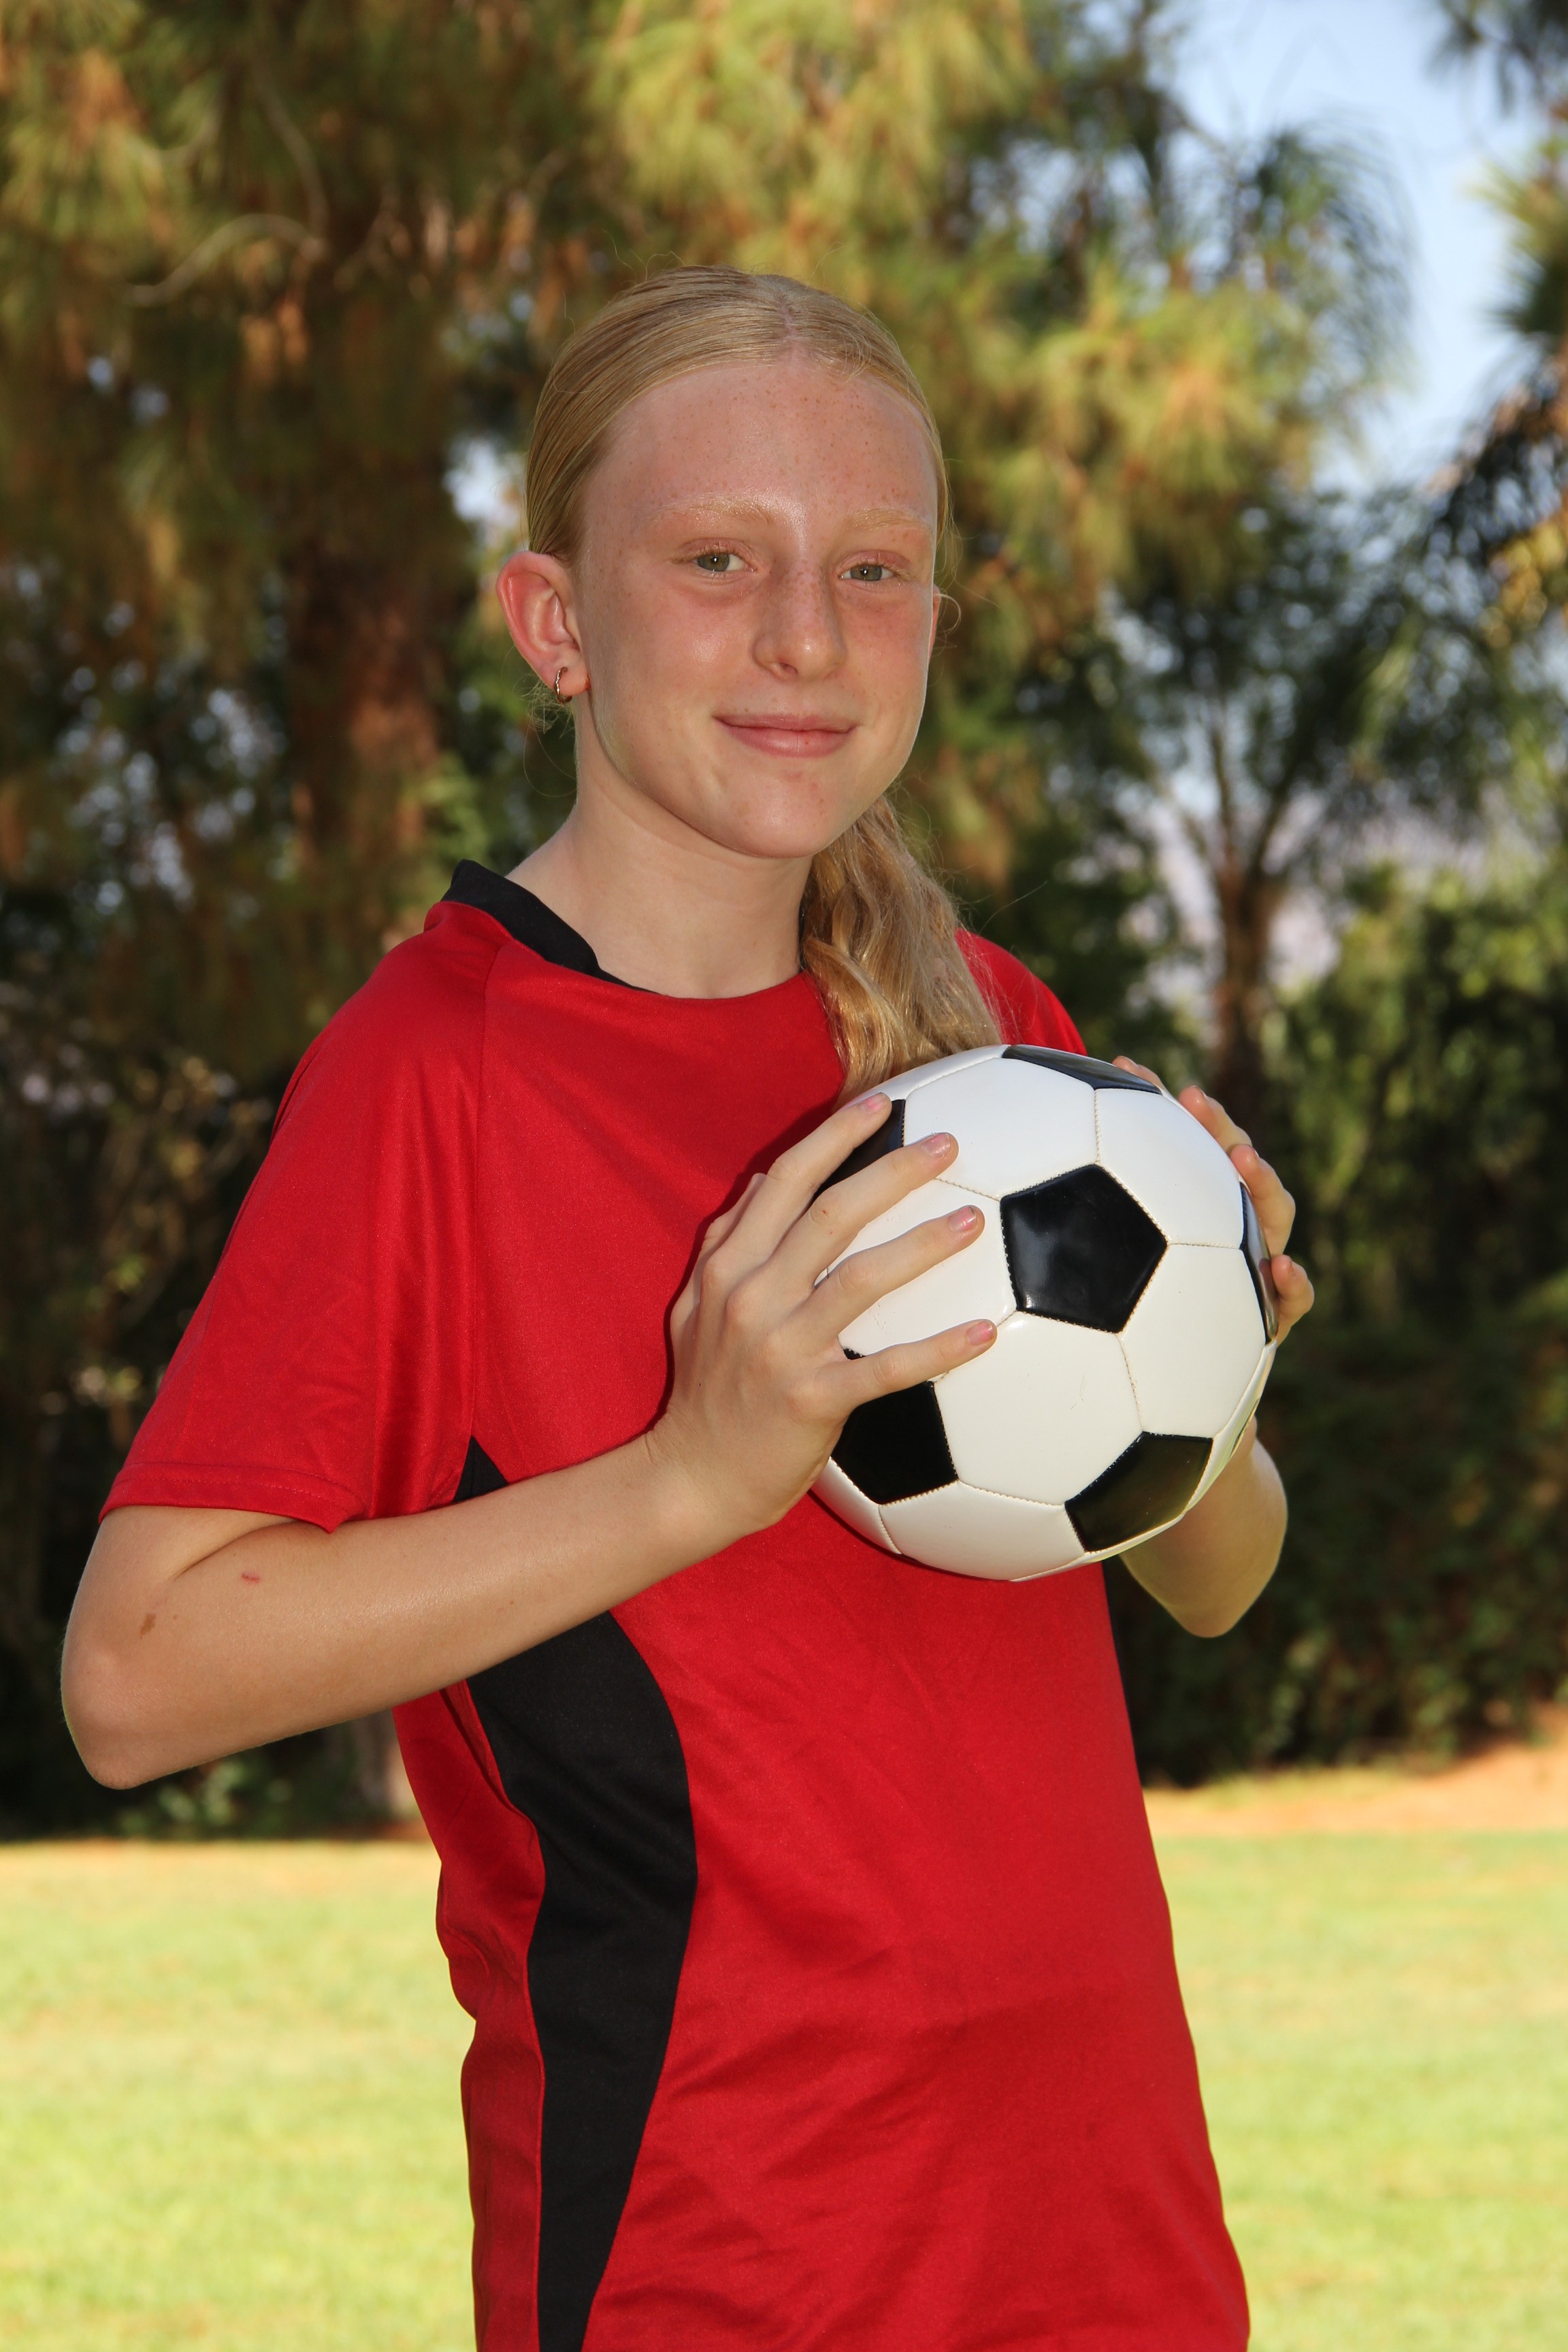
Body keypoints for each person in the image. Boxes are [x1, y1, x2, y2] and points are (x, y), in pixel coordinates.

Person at [64, 267, 1313, 2352]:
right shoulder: (437, 1072)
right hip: (723, 2266)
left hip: (1109, 2245)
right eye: (720, 559)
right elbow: (135, 1675)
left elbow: (1215, 1577)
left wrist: (1216, 1369)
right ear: (557, 622)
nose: (806, 634)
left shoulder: (991, 1040)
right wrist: (689, 1478)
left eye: (873, 568)